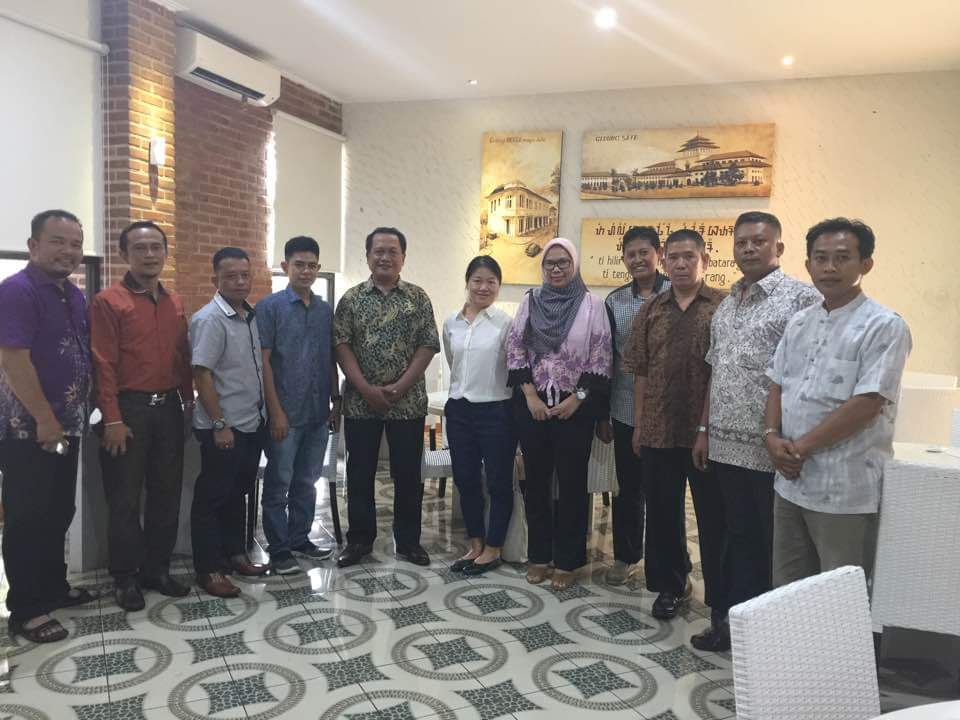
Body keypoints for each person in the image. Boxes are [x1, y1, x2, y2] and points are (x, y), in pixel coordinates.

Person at [690, 212, 820, 650]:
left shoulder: (800, 299)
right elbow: (716, 371)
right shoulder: (728, 304)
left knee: (767, 543)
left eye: (759, 241)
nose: (748, 248)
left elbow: (803, 376)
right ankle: (729, 622)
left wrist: (782, 434)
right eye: (741, 242)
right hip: (723, 445)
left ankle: (762, 637)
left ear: (778, 247)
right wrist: (704, 428)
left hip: (769, 447)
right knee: (729, 536)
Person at [765, 218, 911, 587]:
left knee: (839, 594)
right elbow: (777, 383)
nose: (830, 267)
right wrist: (771, 437)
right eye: (821, 258)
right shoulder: (800, 322)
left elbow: (868, 402)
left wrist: (798, 449)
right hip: (790, 483)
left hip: (845, 490)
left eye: (842, 257)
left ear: (866, 264)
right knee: (787, 588)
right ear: (808, 264)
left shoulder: (884, 326)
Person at [0, 210, 94, 642]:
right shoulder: (16, 291)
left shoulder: (71, 294)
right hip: (28, 429)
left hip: (65, 426)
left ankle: (53, 586)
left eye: (75, 244)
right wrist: (44, 419)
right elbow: (14, 360)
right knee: (28, 517)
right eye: (58, 241)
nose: (68, 251)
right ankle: (27, 608)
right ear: (33, 245)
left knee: (58, 511)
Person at [90, 221, 194, 611]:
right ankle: (125, 577)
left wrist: (187, 401)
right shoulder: (108, 301)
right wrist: (112, 418)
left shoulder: (174, 301)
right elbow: (102, 363)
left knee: (166, 494)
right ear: (124, 254)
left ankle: (157, 569)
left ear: (165, 252)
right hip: (127, 410)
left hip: (168, 409)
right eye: (140, 248)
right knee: (124, 499)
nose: (150, 255)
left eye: (156, 247)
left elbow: (182, 356)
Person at [626, 229, 726, 621]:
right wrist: (639, 425)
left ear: (705, 261)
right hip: (658, 428)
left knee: (713, 517)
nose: (681, 264)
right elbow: (640, 370)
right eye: (674, 257)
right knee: (662, 514)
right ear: (664, 262)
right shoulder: (652, 309)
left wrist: (706, 429)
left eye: (690, 257)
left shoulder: (722, 307)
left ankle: (720, 596)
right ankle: (670, 585)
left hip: (706, 433)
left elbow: (724, 374)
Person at [506, 237, 612, 591]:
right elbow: (515, 348)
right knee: (535, 483)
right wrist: (530, 397)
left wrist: (577, 400)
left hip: (574, 409)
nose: (556, 269)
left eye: (563, 262)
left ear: (574, 265)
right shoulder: (530, 301)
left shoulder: (593, 305)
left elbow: (601, 354)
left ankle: (567, 560)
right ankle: (539, 556)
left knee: (571, 486)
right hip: (533, 406)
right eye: (550, 263)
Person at [334, 227, 440, 568]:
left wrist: (401, 387)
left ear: (403, 258)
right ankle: (360, 540)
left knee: (408, 475)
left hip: (407, 403)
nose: (385, 257)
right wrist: (366, 389)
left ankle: (408, 541)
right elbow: (341, 345)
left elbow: (428, 345)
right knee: (359, 474)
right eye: (378, 251)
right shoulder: (351, 300)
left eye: (392, 251)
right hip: (360, 403)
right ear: (368, 256)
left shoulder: (418, 298)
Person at [189, 247, 269, 597]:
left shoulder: (249, 315)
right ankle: (209, 569)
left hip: (250, 422)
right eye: (231, 276)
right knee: (212, 497)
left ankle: (235, 554)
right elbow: (202, 375)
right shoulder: (210, 319)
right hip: (224, 426)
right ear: (215, 279)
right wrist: (219, 423)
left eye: (244, 275)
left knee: (238, 493)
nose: (239, 281)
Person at [258, 236, 340, 575]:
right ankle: (279, 549)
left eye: (311, 266)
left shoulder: (324, 310)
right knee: (279, 483)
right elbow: (263, 363)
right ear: (285, 267)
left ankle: (299, 539)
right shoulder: (270, 307)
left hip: (318, 412)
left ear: (318, 269)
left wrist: (336, 400)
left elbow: (330, 357)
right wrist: (275, 411)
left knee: (307, 481)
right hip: (285, 414)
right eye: (299, 265)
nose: (305, 271)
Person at [598, 226, 669, 586]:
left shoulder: (676, 293)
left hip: (670, 413)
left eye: (645, 252)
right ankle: (625, 557)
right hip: (625, 408)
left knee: (665, 493)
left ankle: (668, 564)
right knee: (628, 489)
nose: (638, 259)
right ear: (623, 258)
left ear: (659, 254)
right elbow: (605, 359)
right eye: (631, 254)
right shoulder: (615, 302)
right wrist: (603, 414)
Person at [444, 256, 516, 576]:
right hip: (459, 410)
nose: (483, 287)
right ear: (467, 282)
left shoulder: (506, 323)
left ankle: (493, 548)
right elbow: (453, 362)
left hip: (497, 410)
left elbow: (514, 367)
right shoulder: (451, 322)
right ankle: (475, 544)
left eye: (491, 281)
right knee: (466, 479)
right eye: (477, 280)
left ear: (499, 286)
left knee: (499, 482)